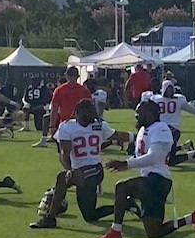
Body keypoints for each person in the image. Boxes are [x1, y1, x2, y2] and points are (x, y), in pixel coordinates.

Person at [91, 99, 195, 238]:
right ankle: (192, 218)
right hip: (150, 179)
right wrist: (125, 162)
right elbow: (140, 157)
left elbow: (154, 157)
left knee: (122, 187)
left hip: (158, 180)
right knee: (154, 232)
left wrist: (127, 164)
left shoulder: (161, 128)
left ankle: (115, 232)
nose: (136, 115)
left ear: (151, 114)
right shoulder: (143, 130)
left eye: (140, 112)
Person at [30, 99, 128, 230]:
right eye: (84, 115)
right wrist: (69, 169)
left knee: (62, 179)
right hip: (78, 171)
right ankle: (126, 204)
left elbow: (118, 135)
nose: (87, 118)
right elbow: (64, 153)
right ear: (76, 113)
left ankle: (50, 218)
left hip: (94, 171)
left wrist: (137, 137)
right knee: (90, 215)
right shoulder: (68, 127)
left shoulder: (99, 125)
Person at [44, 67, 93, 145]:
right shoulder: (83, 90)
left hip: (71, 124)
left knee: (66, 151)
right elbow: (54, 109)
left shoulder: (60, 90)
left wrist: (52, 126)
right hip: (75, 124)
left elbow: (54, 109)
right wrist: (52, 125)